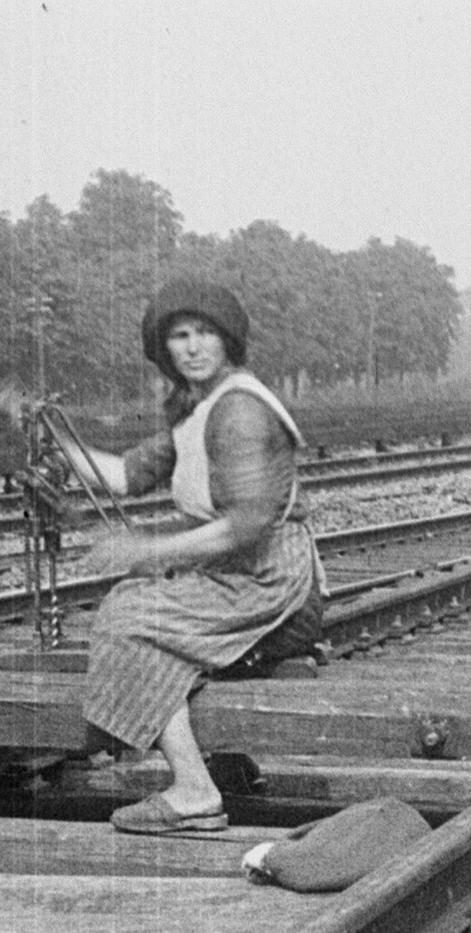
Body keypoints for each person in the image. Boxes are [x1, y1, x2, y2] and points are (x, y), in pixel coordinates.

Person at [60, 276, 323, 834]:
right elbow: (126, 475)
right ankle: (199, 775)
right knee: (134, 606)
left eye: (206, 333)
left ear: (228, 341)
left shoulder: (239, 412)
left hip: (271, 583)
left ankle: (194, 790)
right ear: (164, 349)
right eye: (180, 336)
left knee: (130, 620)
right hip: (237, 574)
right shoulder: (199, 408)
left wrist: (148, 550)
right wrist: (54, 442)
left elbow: (247, 526)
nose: (194, 347)